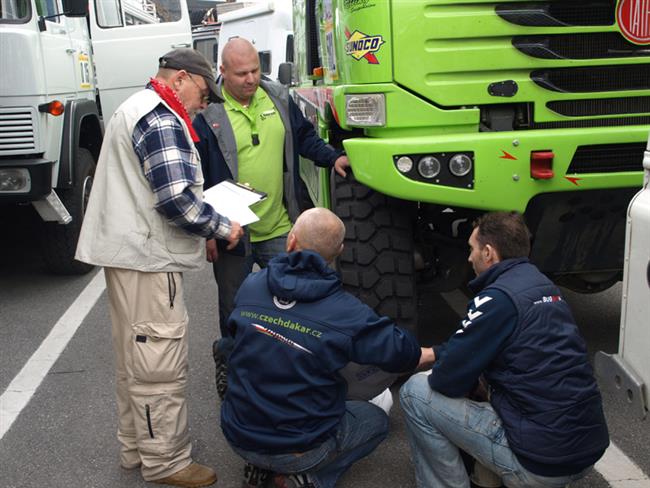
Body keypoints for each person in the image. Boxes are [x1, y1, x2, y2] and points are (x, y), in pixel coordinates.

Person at [75, 48, 244, 487]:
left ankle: (137, 448)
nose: (203, 106)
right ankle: (167, 461)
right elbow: (176, 201)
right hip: (149, 259)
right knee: (159, 363)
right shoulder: (162, 117)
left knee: (135, 359)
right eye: (204, 95)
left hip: (128, 254)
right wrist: (223, 226)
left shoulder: (135, 106)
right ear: (183, 80)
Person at [220, 207, 430, 488]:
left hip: (238, 436)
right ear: (339, 250)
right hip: (299, 448)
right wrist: (438, 353)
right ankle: (307, 479)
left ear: (291, 240)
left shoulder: (252, 285)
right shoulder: (346, 312)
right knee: (375, 421)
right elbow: (402, 353)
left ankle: (260, 466)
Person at [399, 211, 610, 488]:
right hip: (585, 452)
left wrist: (465, 377)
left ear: (488, 253)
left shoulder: (496, 299)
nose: (469, 257)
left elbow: (446, 379)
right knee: (490, 382)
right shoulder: (543, 286)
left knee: (416, 392)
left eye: (472, 249)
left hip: (541, 465)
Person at [192, 38, 351, 399]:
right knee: (234, 309)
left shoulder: (278, 96)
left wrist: (332, 157)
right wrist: (207, 233)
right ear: (222, 72)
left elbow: (304, 136)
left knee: (296, 299)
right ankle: (231, 368)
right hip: (233, 233)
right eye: (241, 73)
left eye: (255, 70)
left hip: (280, 226)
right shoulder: (207, 113)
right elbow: (196, 174)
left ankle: (292, 369)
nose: (250, 79)